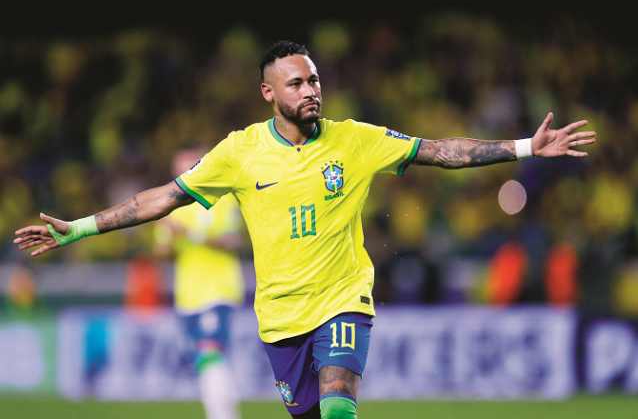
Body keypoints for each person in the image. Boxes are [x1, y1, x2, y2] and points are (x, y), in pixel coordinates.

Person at [14, 40, 595, 419]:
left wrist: (526, 146)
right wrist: (79, 228)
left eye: (314, 79)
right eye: (296, 83)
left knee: (340, 406)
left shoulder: (355, 139)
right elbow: (162, 199)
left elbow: (439, 151)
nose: (311, 90)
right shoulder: (239, 153)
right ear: (269, 93)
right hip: (279, 316)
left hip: (343, 298)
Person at [153, 142, 245, 419]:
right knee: (205, 360)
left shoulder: (222, 199)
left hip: (218, 290)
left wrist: (190, 234)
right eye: (178, 170)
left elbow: (234, 241)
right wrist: (169, 238)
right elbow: (162, 253)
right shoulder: (170, 206)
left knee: (210, 353)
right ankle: (228, 406)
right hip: (187, 294)